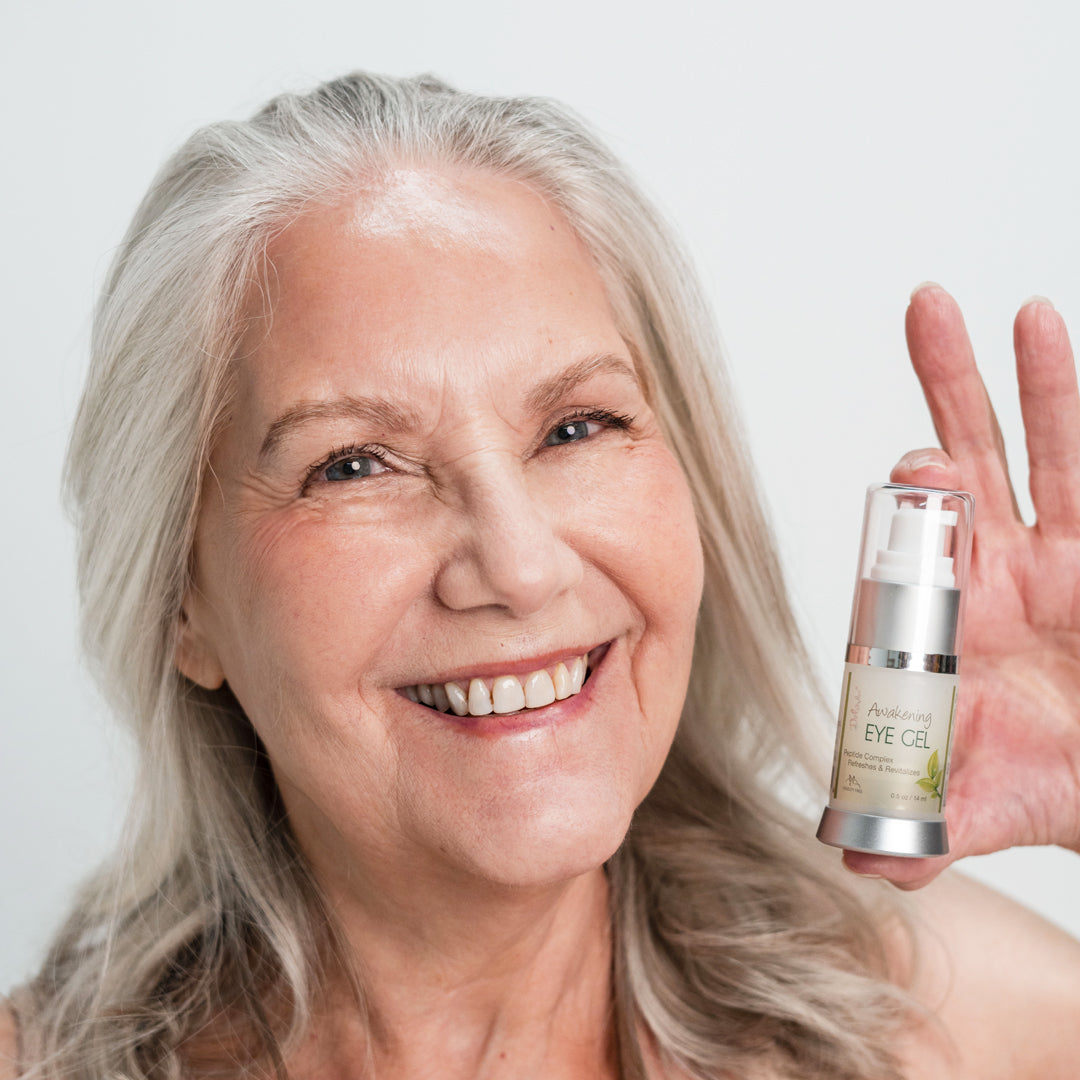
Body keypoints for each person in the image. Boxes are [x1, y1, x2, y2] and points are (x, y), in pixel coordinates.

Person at [3, 71, 1080, 1080]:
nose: (518, 567)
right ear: (181, 601)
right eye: (353, 464)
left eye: (575, 426)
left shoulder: (955, 1025)